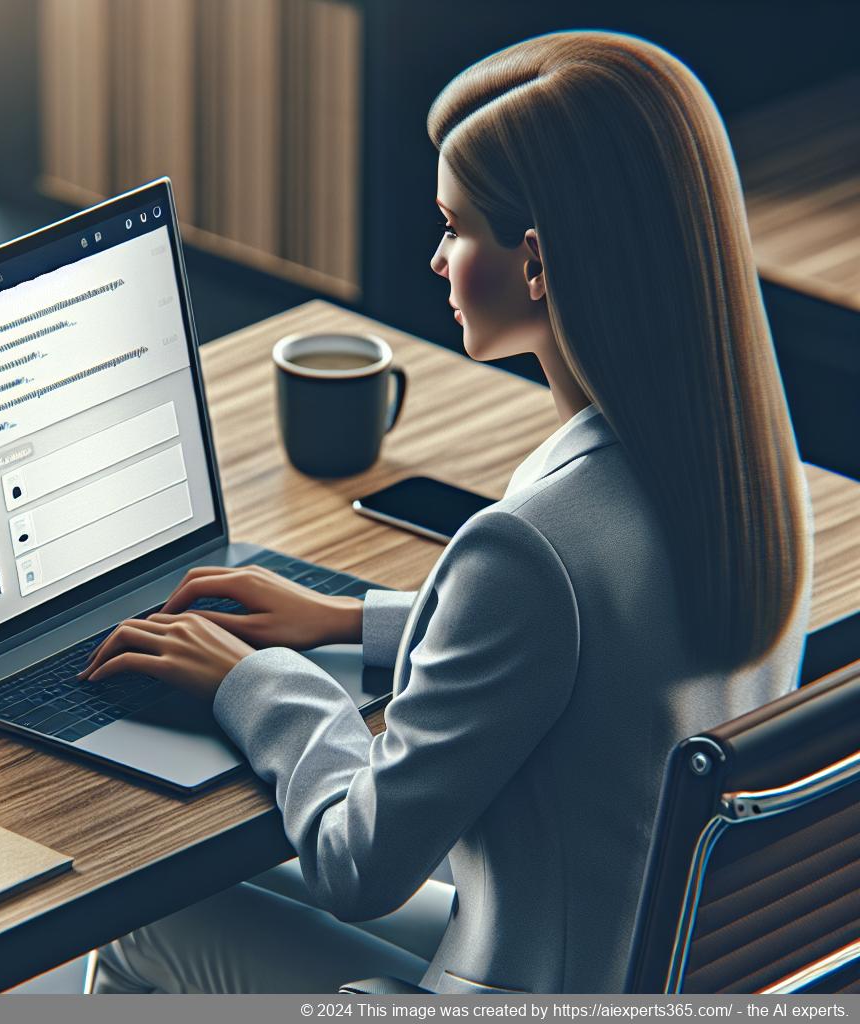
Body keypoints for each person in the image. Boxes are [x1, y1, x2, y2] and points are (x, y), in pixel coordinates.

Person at [85, 30, 813, 994]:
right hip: (637, 965)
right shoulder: (747, 475)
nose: (435, 259)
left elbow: (361, 863)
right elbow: (590, 650)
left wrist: (253, 681)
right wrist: (356, 621)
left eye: (456, 227)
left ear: (539, 260)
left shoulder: (526, 552)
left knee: (145, 926)